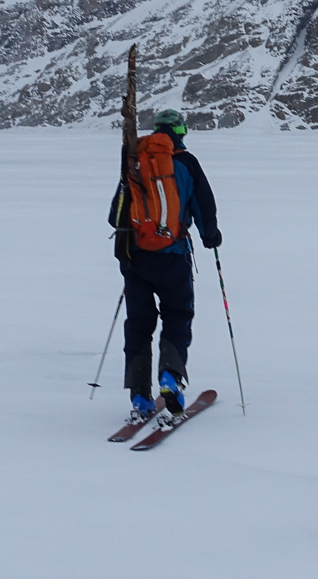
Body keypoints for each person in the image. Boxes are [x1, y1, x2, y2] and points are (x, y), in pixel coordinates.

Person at [108, 108, 221, 422]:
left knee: (139, 325)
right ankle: (170, 379)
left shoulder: (135, 160)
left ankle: (140, 398)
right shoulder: (185, 162)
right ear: (181, 132)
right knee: (177, 315)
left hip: (135, 259)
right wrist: (211, 237)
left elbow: (113, 215)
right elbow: (205, 208)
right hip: (173, 256)